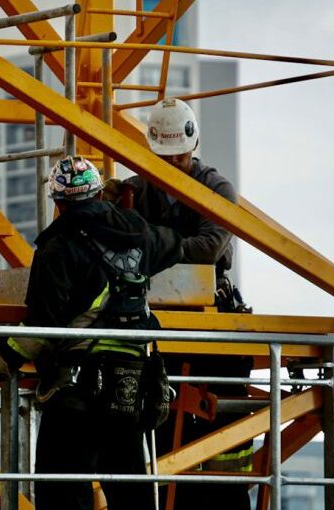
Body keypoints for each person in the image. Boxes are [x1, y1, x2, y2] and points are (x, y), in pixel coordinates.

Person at [0, 156, 183, 510]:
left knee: (61, 487)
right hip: (132, 381)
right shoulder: (138, 232)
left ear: (59, 203)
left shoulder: (59, 248)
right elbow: (176, 245)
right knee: (128, 484)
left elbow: (42, 325)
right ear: (98, 194)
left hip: (79, 387)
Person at [111, 98, 253, 509]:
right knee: (154, 424)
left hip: (210, 322)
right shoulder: (135, 190)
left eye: (179, 157)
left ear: (193, 148)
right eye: (164, 158)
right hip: (153, 321)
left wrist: (151, 245)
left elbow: (210, 247)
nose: (172, 166)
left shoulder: (217, 188)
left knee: (217, 433)